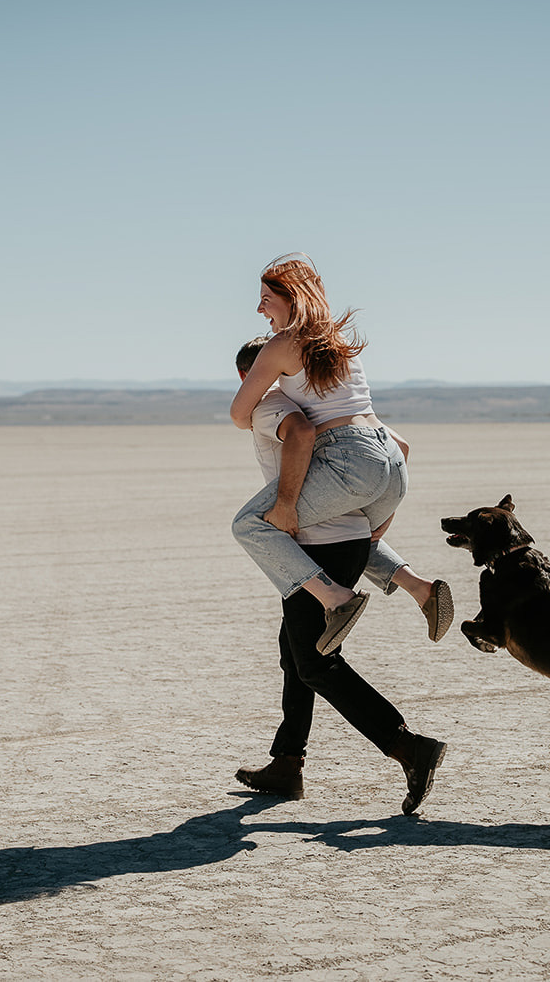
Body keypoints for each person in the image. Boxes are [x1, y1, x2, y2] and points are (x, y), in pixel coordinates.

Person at [231, 336, 449, 813]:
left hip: (314, 547)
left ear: (252, 376)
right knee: (295, 654)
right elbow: (400, 447)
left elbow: (298, 438)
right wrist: (376, 523)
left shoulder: (270, 405)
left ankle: (408, 747)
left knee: (315, 663)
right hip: (350, 539)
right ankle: (287, 763)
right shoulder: (329, 406)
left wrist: (286, 504)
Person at [230, 252, 419, 655]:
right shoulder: (339, 342)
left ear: (291, 297)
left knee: (250, 524)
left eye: (266, 297)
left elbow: (238, 413)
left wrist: (284, 501)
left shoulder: (282, 345)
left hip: (351, 460)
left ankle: (336, 599)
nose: (259, 307)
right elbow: (401, 444)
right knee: (352, 537)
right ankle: (418, 587)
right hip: (392, 461)